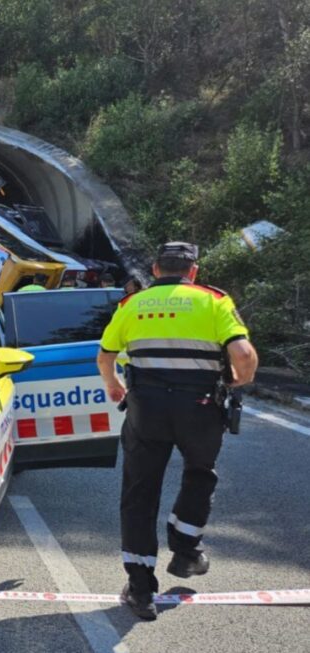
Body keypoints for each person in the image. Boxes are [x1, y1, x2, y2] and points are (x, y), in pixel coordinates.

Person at [96, 242, 259, 621]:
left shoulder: (132, 305)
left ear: (155, 270)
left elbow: (105, 356)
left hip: (146, 408)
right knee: (200, 474)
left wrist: (114, 385)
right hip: (199, 408)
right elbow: (244, 356)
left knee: (139, 492)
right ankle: (185, 551)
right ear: (193, 272)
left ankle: (140, 590)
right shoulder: (213, 301)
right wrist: (236, 382)